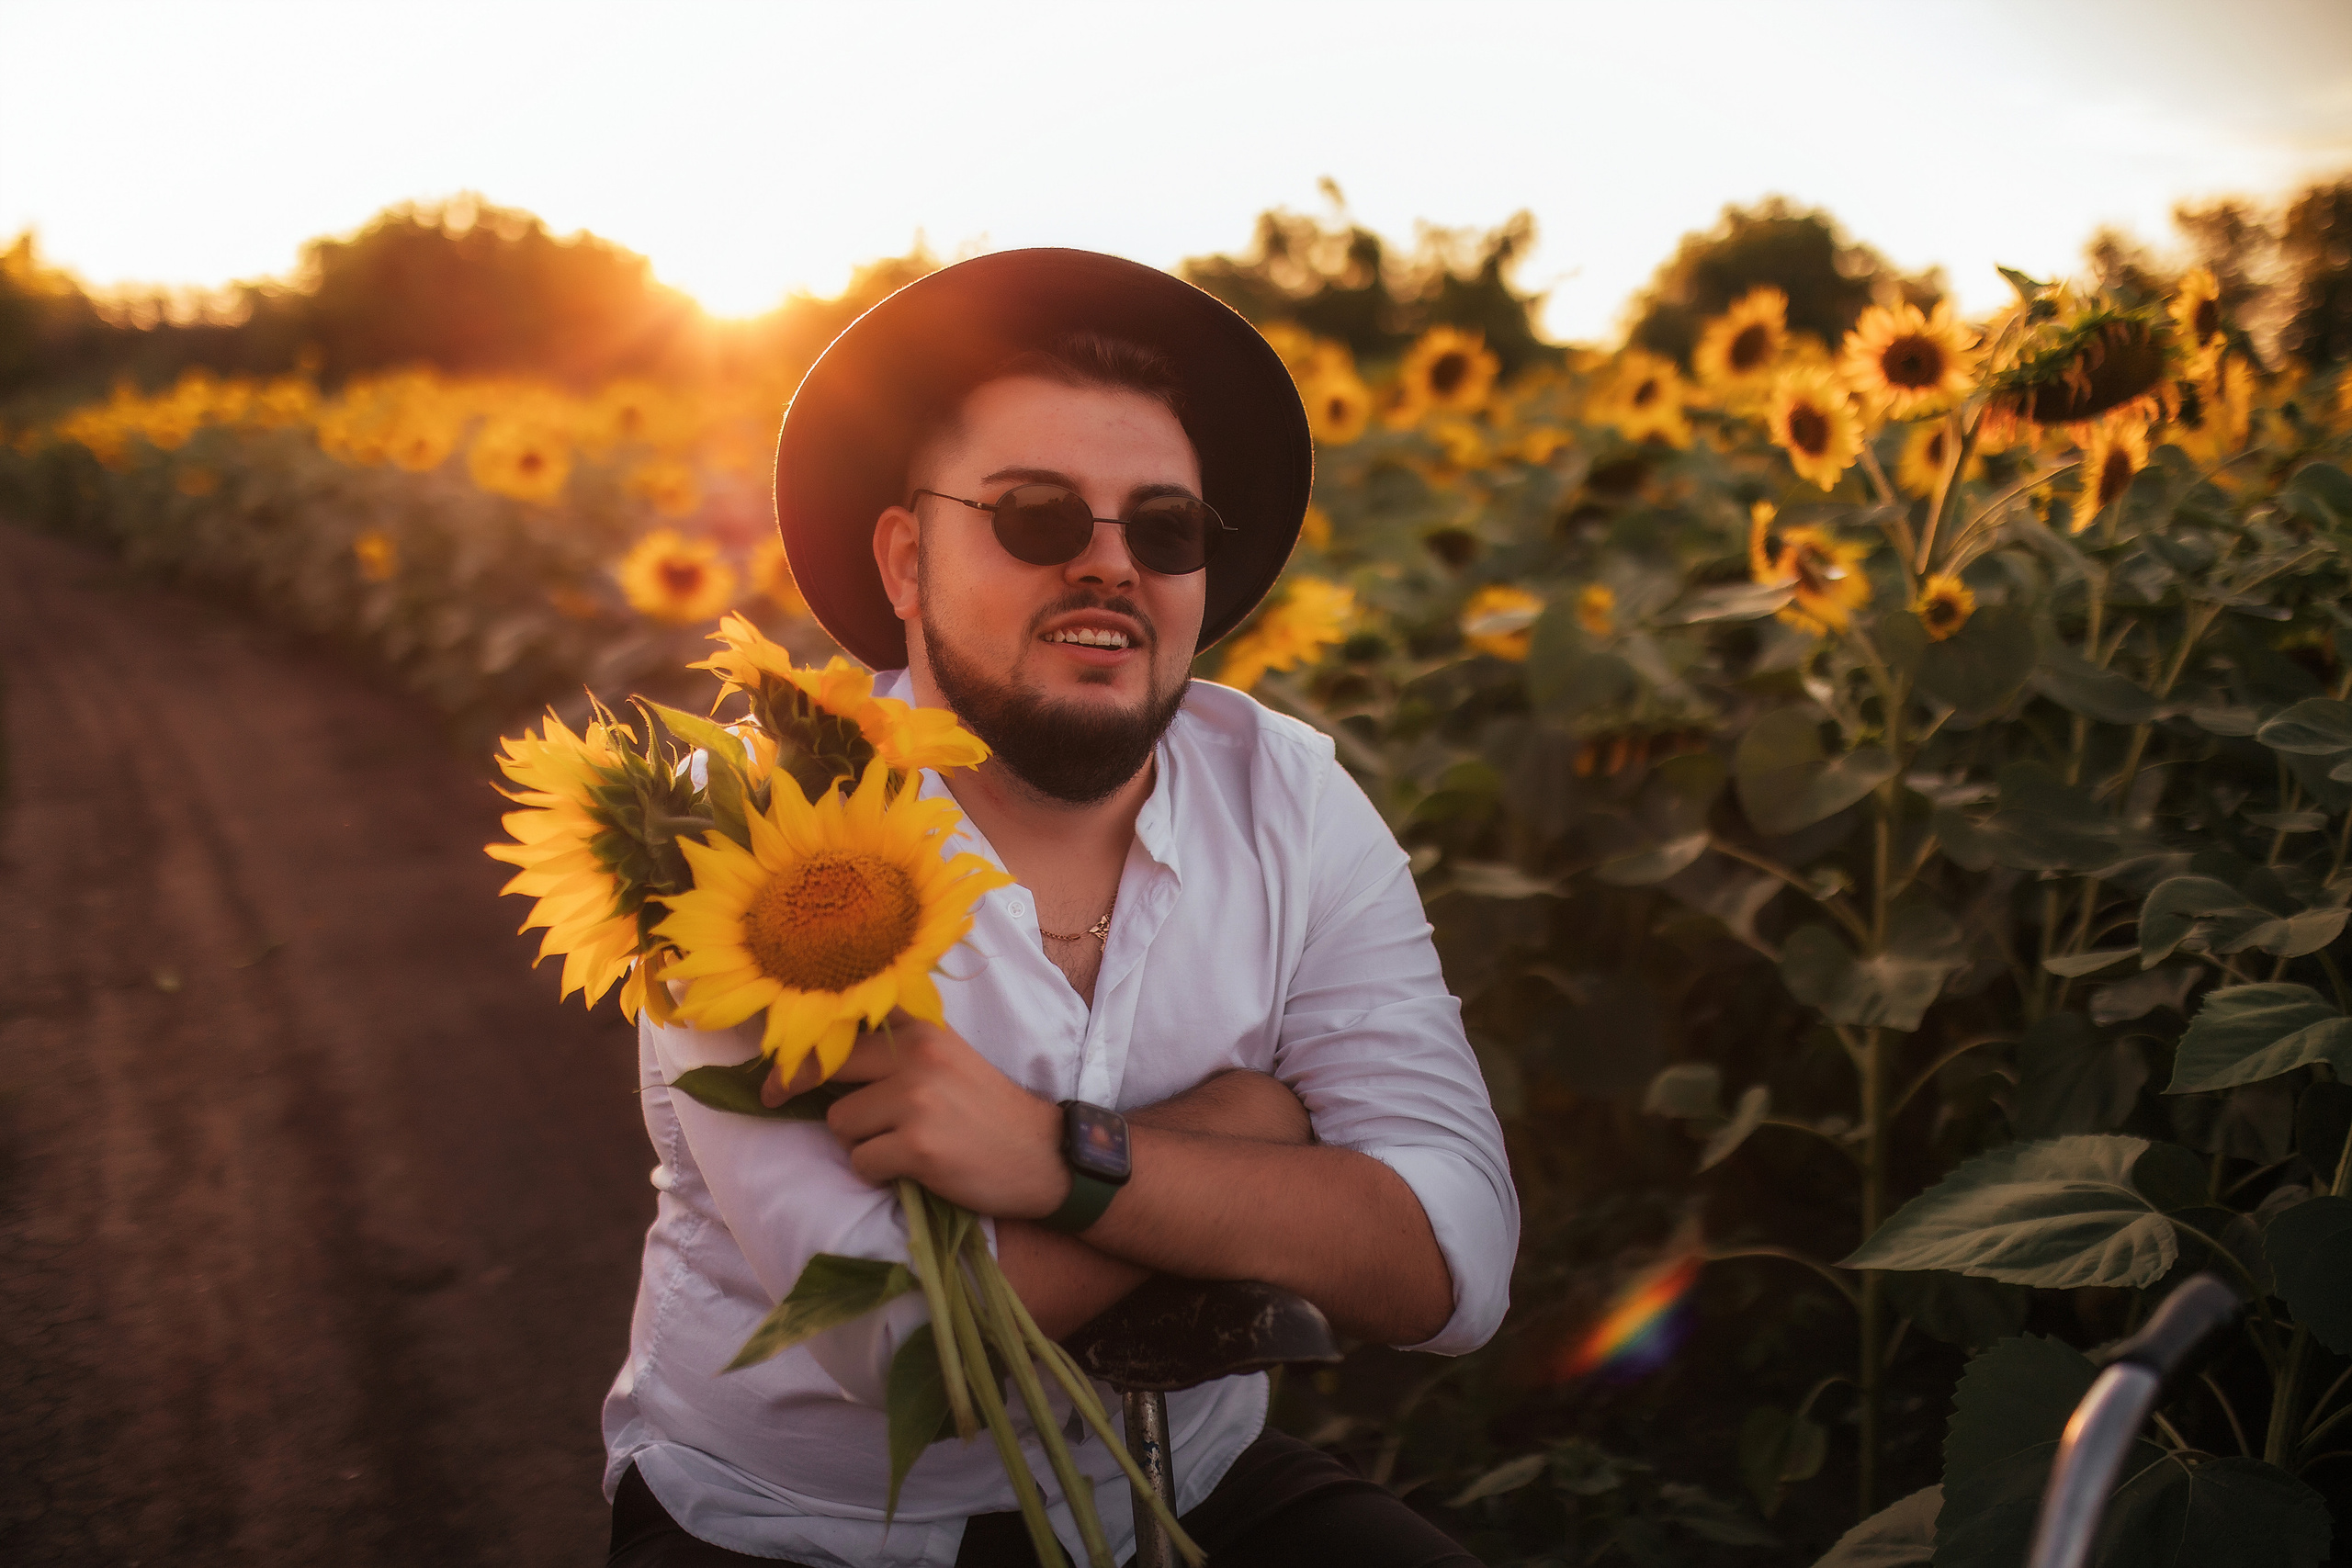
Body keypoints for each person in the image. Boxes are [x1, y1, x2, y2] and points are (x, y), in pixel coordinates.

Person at [601, 249, 1518, 1568]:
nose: (1111, 567)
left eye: (1166, 528)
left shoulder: (1293, 801)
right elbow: (907, 1346)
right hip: (807, 1530)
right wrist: (1248, 1132)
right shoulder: (746, 834)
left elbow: (1457, 1260)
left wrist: (1057, 1157)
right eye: (1035, 515)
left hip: (1189, 1482)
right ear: (907, 560)